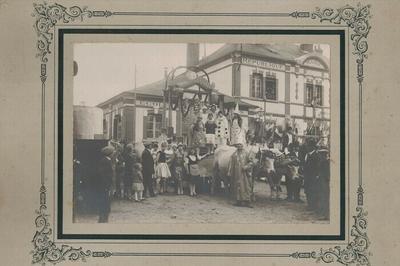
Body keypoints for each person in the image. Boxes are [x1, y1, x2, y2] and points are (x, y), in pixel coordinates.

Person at [228, 142, 255, 208]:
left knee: (246, 186)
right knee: (238, 186)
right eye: (238, 145)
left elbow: (251, 162)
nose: (239, 146)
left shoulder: (247, 153)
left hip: (245, 173)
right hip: (237, 173)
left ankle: (247, 201)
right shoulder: (234, 154)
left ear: (243, 145)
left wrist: (246, 167)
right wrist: (230, 172)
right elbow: (231, 164)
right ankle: (238, 201)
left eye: (240, 144)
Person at [97, 145, 115, 223]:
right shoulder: (105, 161)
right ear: (109, 153)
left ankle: (104, 218)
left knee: (106, 202)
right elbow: (102, 174)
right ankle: (103, 219)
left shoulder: (108, 160)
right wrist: (106, 185)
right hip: (105, 186)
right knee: (105, 202)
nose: (114, 153)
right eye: (113, 152)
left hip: (107, 185)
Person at [303, 138, 319, 211]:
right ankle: (309, 205)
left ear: (312, 147)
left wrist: (316, 175)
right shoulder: (307, 155)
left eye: (308, 146)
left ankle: (313, 206)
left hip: (313, 176)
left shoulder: (316, 155)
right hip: (307, 176)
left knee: (312, 190)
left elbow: (317, 166)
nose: (307, 147)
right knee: (307, 190)